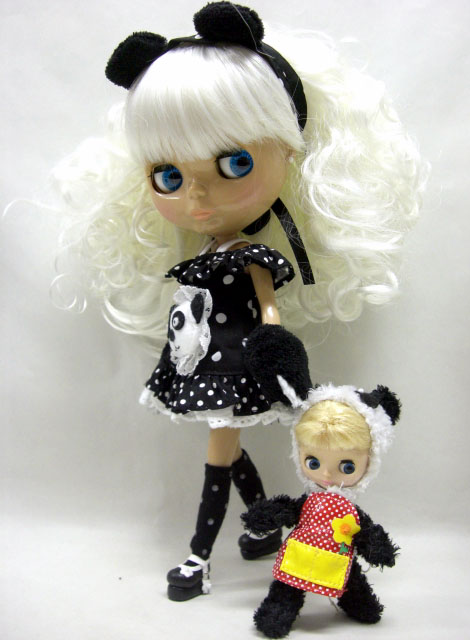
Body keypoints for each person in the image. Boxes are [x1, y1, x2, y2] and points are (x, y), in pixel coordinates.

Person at [49, 2, 425, 601]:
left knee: (218, 457)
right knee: (228, 447)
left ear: (289, 152)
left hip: (238, 368)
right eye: (168, 176)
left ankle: (198, 559)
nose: (197, 196)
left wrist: (276, 350)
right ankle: (261, 530)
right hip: (205, 367)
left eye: (235, 163)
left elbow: (268, 311)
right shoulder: (201, 254)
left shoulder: (253, 256)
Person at [242, 383, 400, 637]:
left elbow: (366, 532)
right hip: (298, 559)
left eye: (347, 466)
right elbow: (286, 509)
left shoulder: (351, 512)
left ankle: (358, 603)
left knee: (350, 578)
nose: (326, 474)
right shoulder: (308, 502)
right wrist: (265, 515)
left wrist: (377, 547)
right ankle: (278, 610)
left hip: (338, 560)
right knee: (287, 586)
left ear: (369, 462)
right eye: (313, 462)